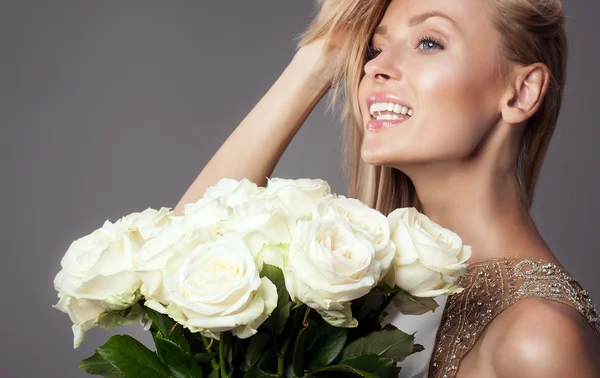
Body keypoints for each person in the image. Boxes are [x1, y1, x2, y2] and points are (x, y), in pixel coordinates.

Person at [174, 0, 600, 377]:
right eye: (375, 47)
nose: (374, 67)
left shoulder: (540, 339)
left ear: (522, 92)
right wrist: (319, 58)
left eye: (429, 42)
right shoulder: (358, 286)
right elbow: (177, 267)